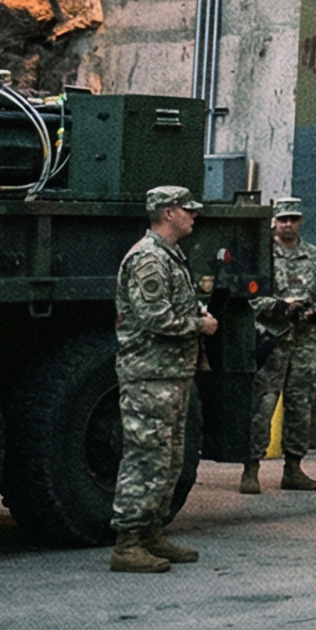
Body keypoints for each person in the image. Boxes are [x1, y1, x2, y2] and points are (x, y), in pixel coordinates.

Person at [110, 185, 217, 572]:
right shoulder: (149, 259)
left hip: (169, 375)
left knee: (168, 459)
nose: (194, 215)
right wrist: (200, 324)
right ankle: (127, 544)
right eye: (187, 210)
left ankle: (151, 533)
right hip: (150, 376)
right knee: (144, 458)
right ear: (168, 213)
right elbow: (155, 317)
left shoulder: (170, 256)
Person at [244, 196, 316, 495]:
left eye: (293, 219)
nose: (287, 224)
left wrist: (314, 311)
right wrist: (281, 307)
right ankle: (251, 468)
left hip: (303, 343)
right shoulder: (261, 255)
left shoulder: (314, 257)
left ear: (300, 221)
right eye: (282, 219)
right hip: (272, 341)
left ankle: (293, 468)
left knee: (300, 406)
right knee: (262, 405)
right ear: (274, 222)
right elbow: (250, 295)